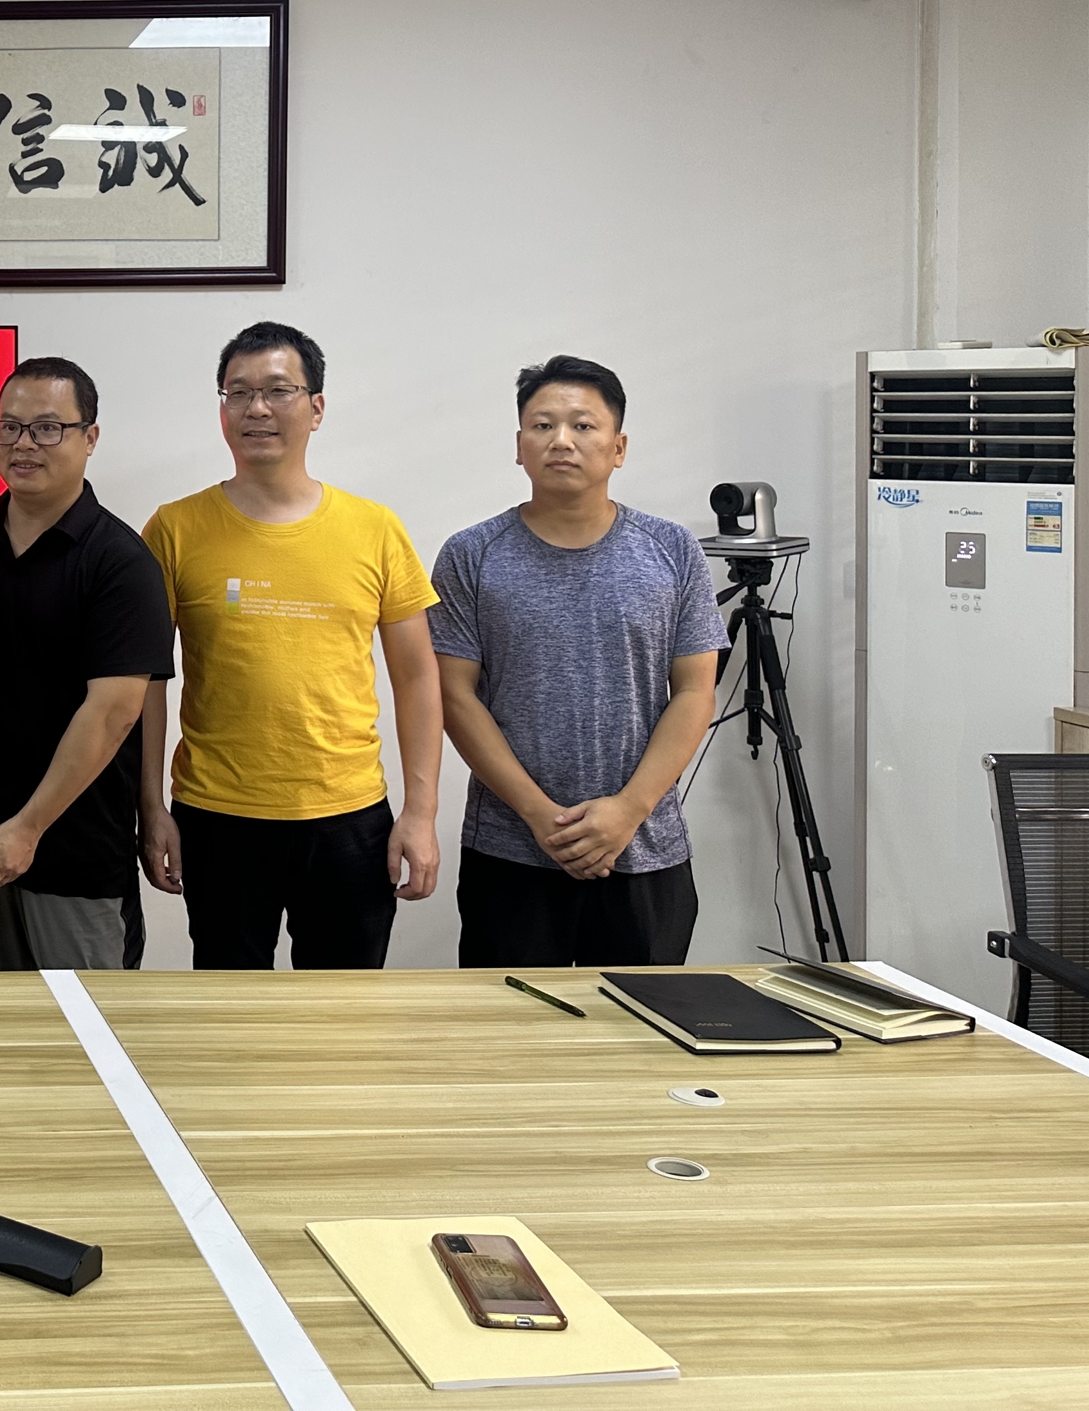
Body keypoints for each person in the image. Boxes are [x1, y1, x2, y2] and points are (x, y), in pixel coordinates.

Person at [139, 321, 441, 970]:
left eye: (278, 390)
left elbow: (418, 677)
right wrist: (150, 806)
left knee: (342, 1013)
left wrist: (421, 813)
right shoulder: (174, 528)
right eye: (239, 392)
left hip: (349, 815)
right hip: (216, 815)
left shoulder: (374, 528)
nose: (257, 408)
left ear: (316, 407)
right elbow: (146, 681)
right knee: (230, 1008)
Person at [431, 356, 725, 967]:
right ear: (519, 446)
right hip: (510, 850)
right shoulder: (470, 555)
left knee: (639, 1021)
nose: (561, 440)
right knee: (510, 1022)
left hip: (644, 847)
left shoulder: (673, 550)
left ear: (619, 448)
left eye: (583, 426)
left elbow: (696, 691)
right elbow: (455, 696)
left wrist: (628, 810)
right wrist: (540, 816)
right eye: (543, 425)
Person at [0, 357, 173, 971]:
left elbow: (112, 713)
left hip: (76, 849)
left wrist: (28, 826)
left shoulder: (120, 561)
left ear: (89, 438)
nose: (23, 444)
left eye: (48, 428)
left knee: (81, 1022)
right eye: (9, 427)